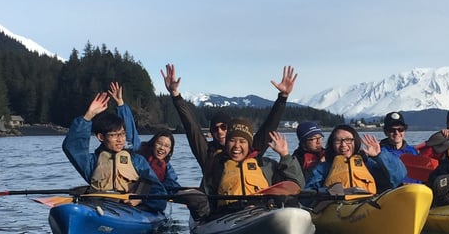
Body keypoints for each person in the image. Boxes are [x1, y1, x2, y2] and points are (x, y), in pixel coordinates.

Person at [162, 63, 297, 187]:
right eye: (215, 129)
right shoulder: (208, 154)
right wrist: (175, 95)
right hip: (223, 209)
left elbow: (268, 127)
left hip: (253, 208)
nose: (219, 131)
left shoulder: (249, 149)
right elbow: (191, 127)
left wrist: (283, 97)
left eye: (224, 127)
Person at [61, 89, 169, 212]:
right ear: (101, 137)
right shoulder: (91, 162)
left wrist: (141, 199)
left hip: (129, 208)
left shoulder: (137, 161)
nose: (120, 140)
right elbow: (72, 146)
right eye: (114, 135)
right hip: (99, 206)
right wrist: (88, 116)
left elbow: (159, 193)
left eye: (122, 134)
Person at [210, 119, 304, 212]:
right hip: (229, 216)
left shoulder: (265, 165)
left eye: (242, 141)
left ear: (249, 145)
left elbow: (297, 184)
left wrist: (285, 155)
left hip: (261, 212)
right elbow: (207, 196)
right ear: (226, 144)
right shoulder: (218, 166)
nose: (237, 146)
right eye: (232, 141)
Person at [304, 124, 406, 194]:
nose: (343, 145)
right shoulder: (324, 168)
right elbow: (309, 193)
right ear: (332, 144)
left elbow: (398, 177)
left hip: (366, 205)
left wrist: (379, 156)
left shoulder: (367, 164)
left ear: (355, 141)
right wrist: (327, 192)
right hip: (336, 207)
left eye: (348, 140)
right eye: (338, 141)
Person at [378, 111, 422, 184]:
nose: (397, 133)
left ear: (405, 130)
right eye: (392, 130)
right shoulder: (378, 153)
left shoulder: (415, 152)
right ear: (385, 132)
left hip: (415, 191)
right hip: (392, 193)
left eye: (400, 129)